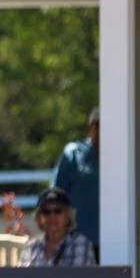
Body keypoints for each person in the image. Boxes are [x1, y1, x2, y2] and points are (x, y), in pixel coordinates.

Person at [52, 107, 99, 258]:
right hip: (77, 241)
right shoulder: (73, 153)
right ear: (92, 127)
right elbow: (56, 195)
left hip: (114, 240)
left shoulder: (120, 155)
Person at [18, 186, 96, 267]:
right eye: (46, 212)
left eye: (58, 211)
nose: (52, 216)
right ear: (39, 217)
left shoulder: (80, 244)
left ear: (68, 215)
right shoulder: (31, 247)